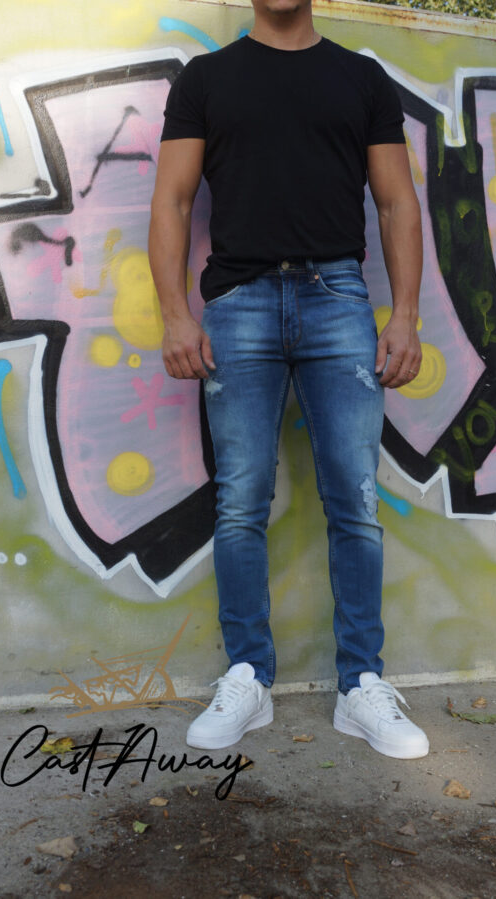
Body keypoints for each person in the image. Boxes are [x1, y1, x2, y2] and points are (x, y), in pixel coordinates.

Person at [148, 0, 428, 760]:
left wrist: (405, 315)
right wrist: (175, 315)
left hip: (339, 299)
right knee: (241, 500)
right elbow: (172, 199)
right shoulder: (206, 79)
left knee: (356, 501)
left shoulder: (361, 78)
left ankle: (361, 685)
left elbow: (397, 202)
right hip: (236, 303)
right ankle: (248, 676)